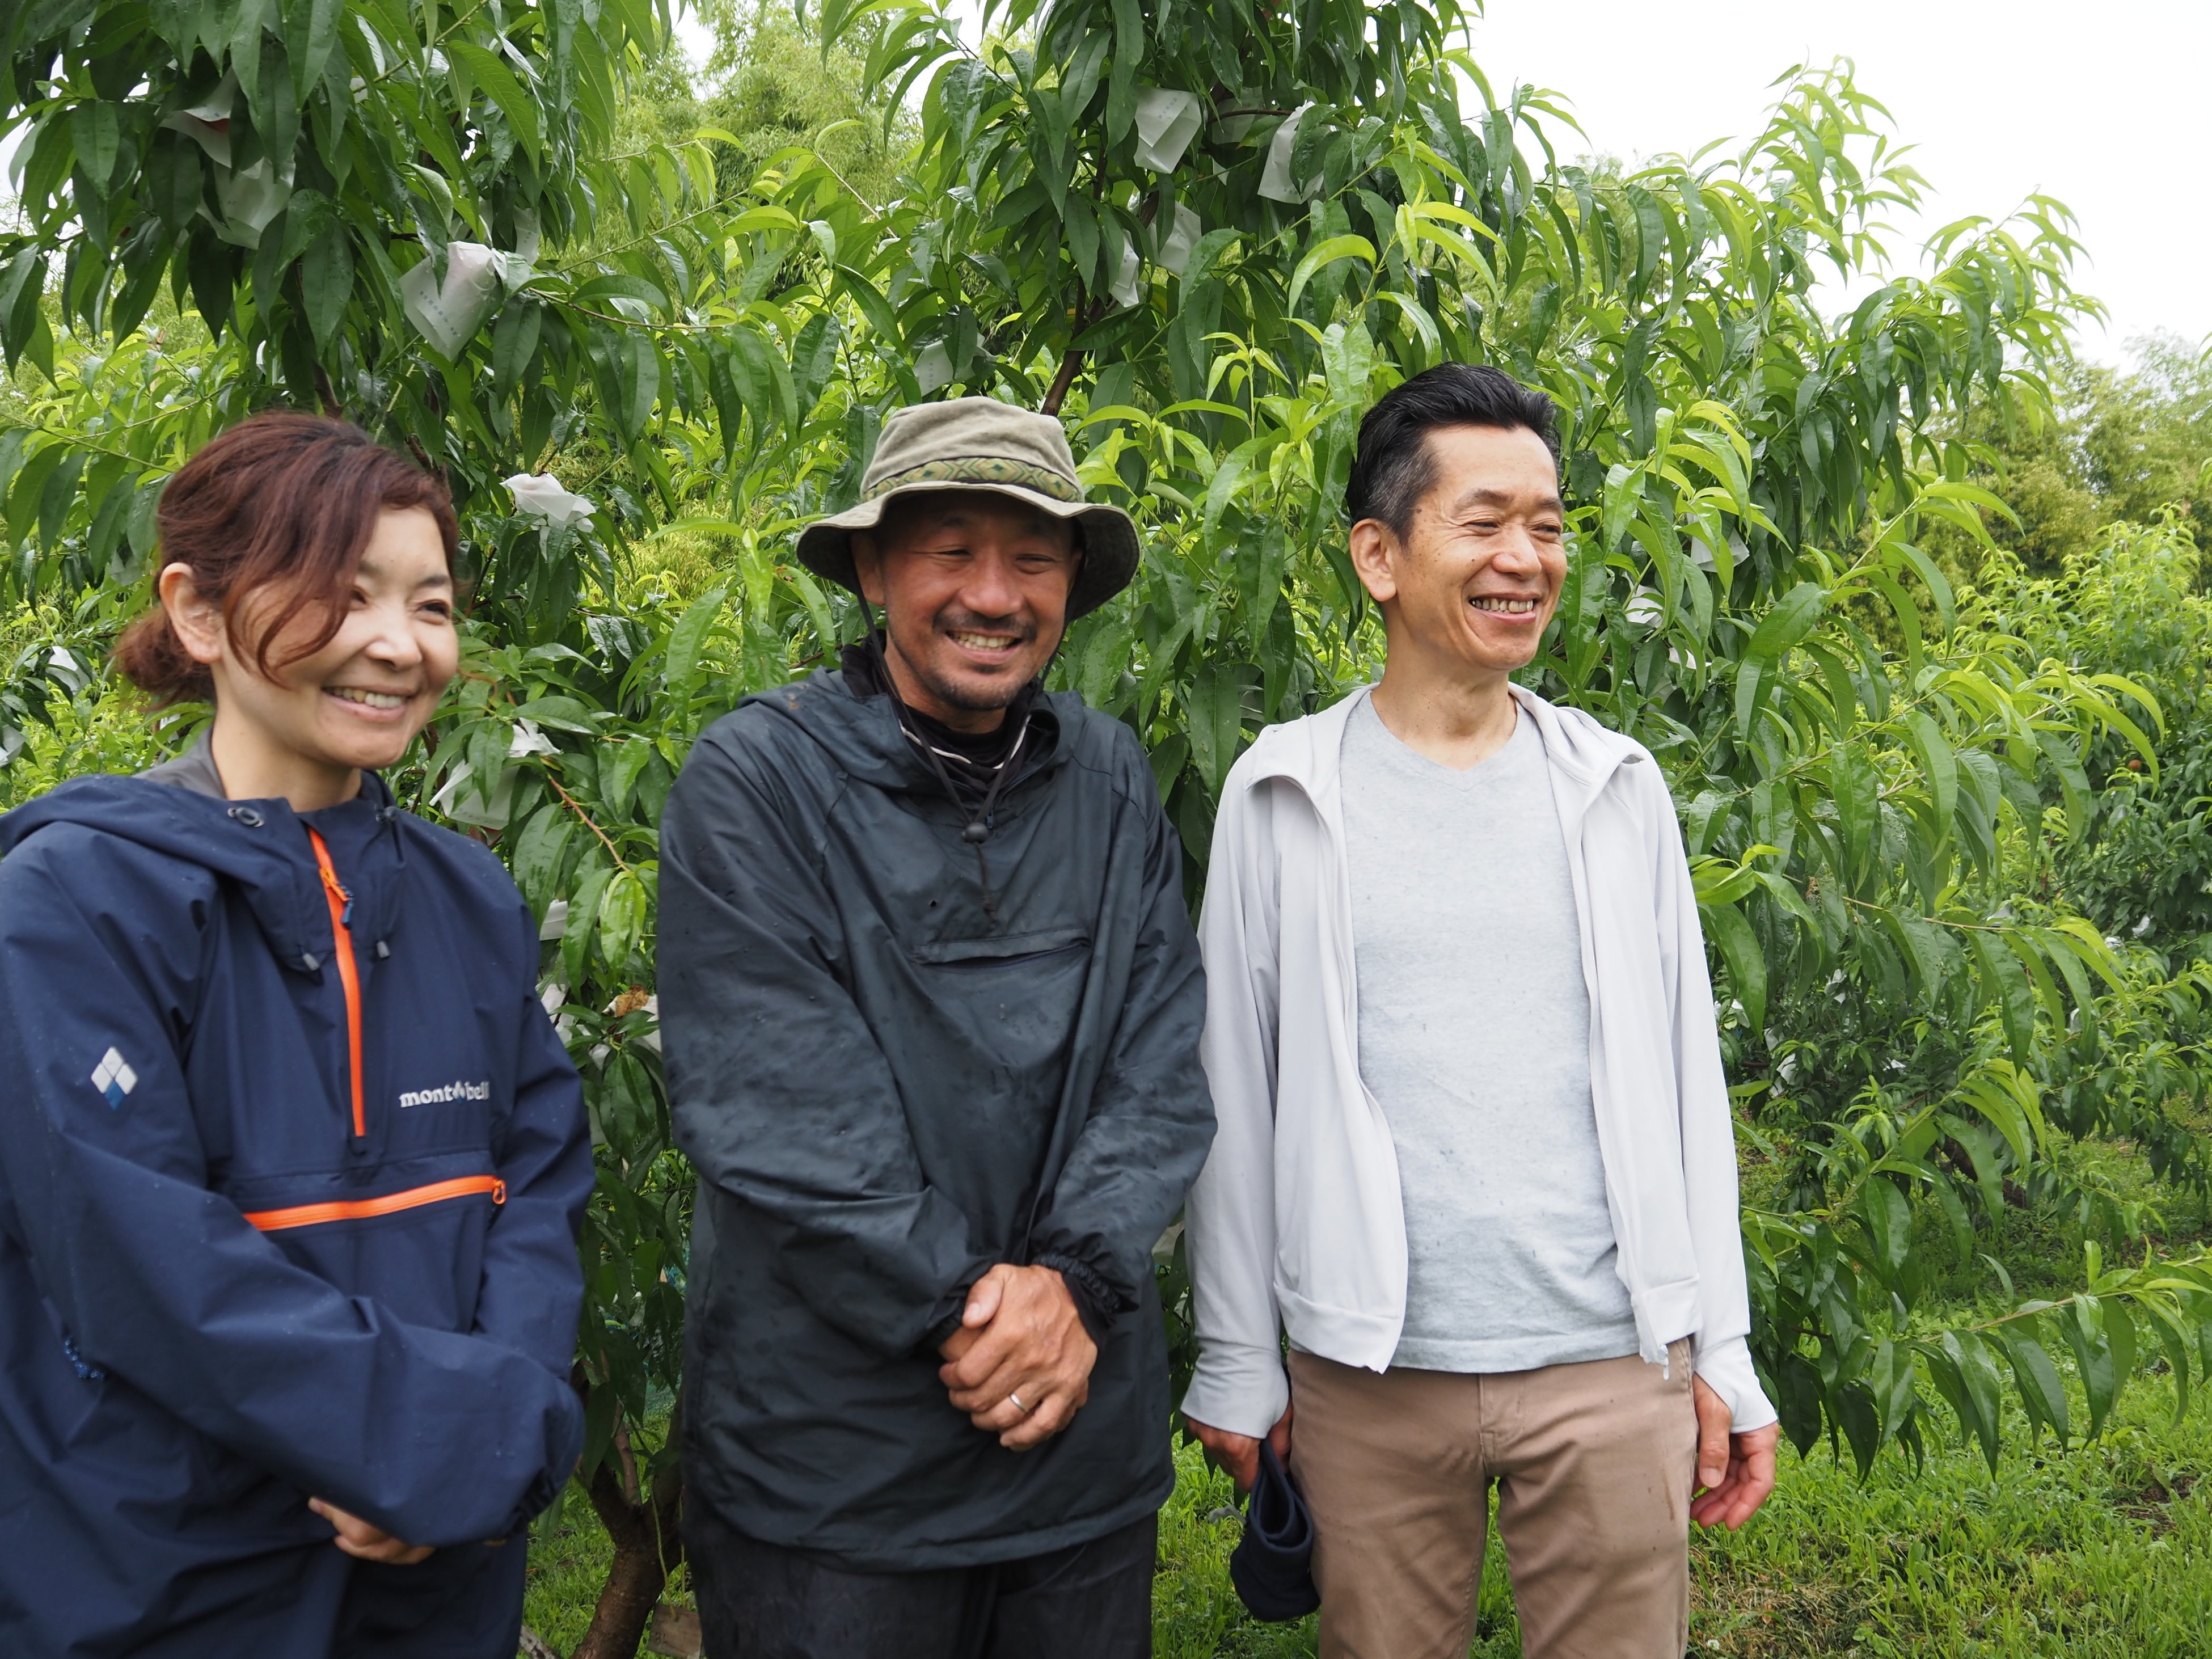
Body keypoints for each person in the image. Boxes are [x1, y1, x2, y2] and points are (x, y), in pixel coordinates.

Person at [1180, 364, 1782, 1659]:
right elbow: (1234, 1092)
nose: (1528, 559)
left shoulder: (1617, 787)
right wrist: (1238, 1355)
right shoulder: (1281, 790)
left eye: (1551, 526)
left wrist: (1720, 1350)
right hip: (1368, 1375)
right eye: (1488, 520)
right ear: (1380, 554)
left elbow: (1688, 1087)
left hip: (1613, 1365)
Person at [0, 413, 594, 1658]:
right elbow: (143, 1261)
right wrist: (427, 1443)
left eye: (429, 604)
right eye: (340, 592)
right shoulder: (75, 901)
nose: (397, 643)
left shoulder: (467, 895)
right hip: (174, 1583)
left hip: (437, 1596)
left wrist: (490, 1433)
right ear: (202, 611)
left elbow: (537, 1180)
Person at [660, 395, 1216, 1658]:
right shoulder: (758, 781)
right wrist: (979, 1311)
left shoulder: (1113, 779)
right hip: (835, 1474)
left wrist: (1072, 1284)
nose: (993, 593)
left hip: (1073, 1450)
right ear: (871, 567)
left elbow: (1158, 1063)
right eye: (950, 552)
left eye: (1031, 557)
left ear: (1073, 580)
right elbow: (779, 1102)